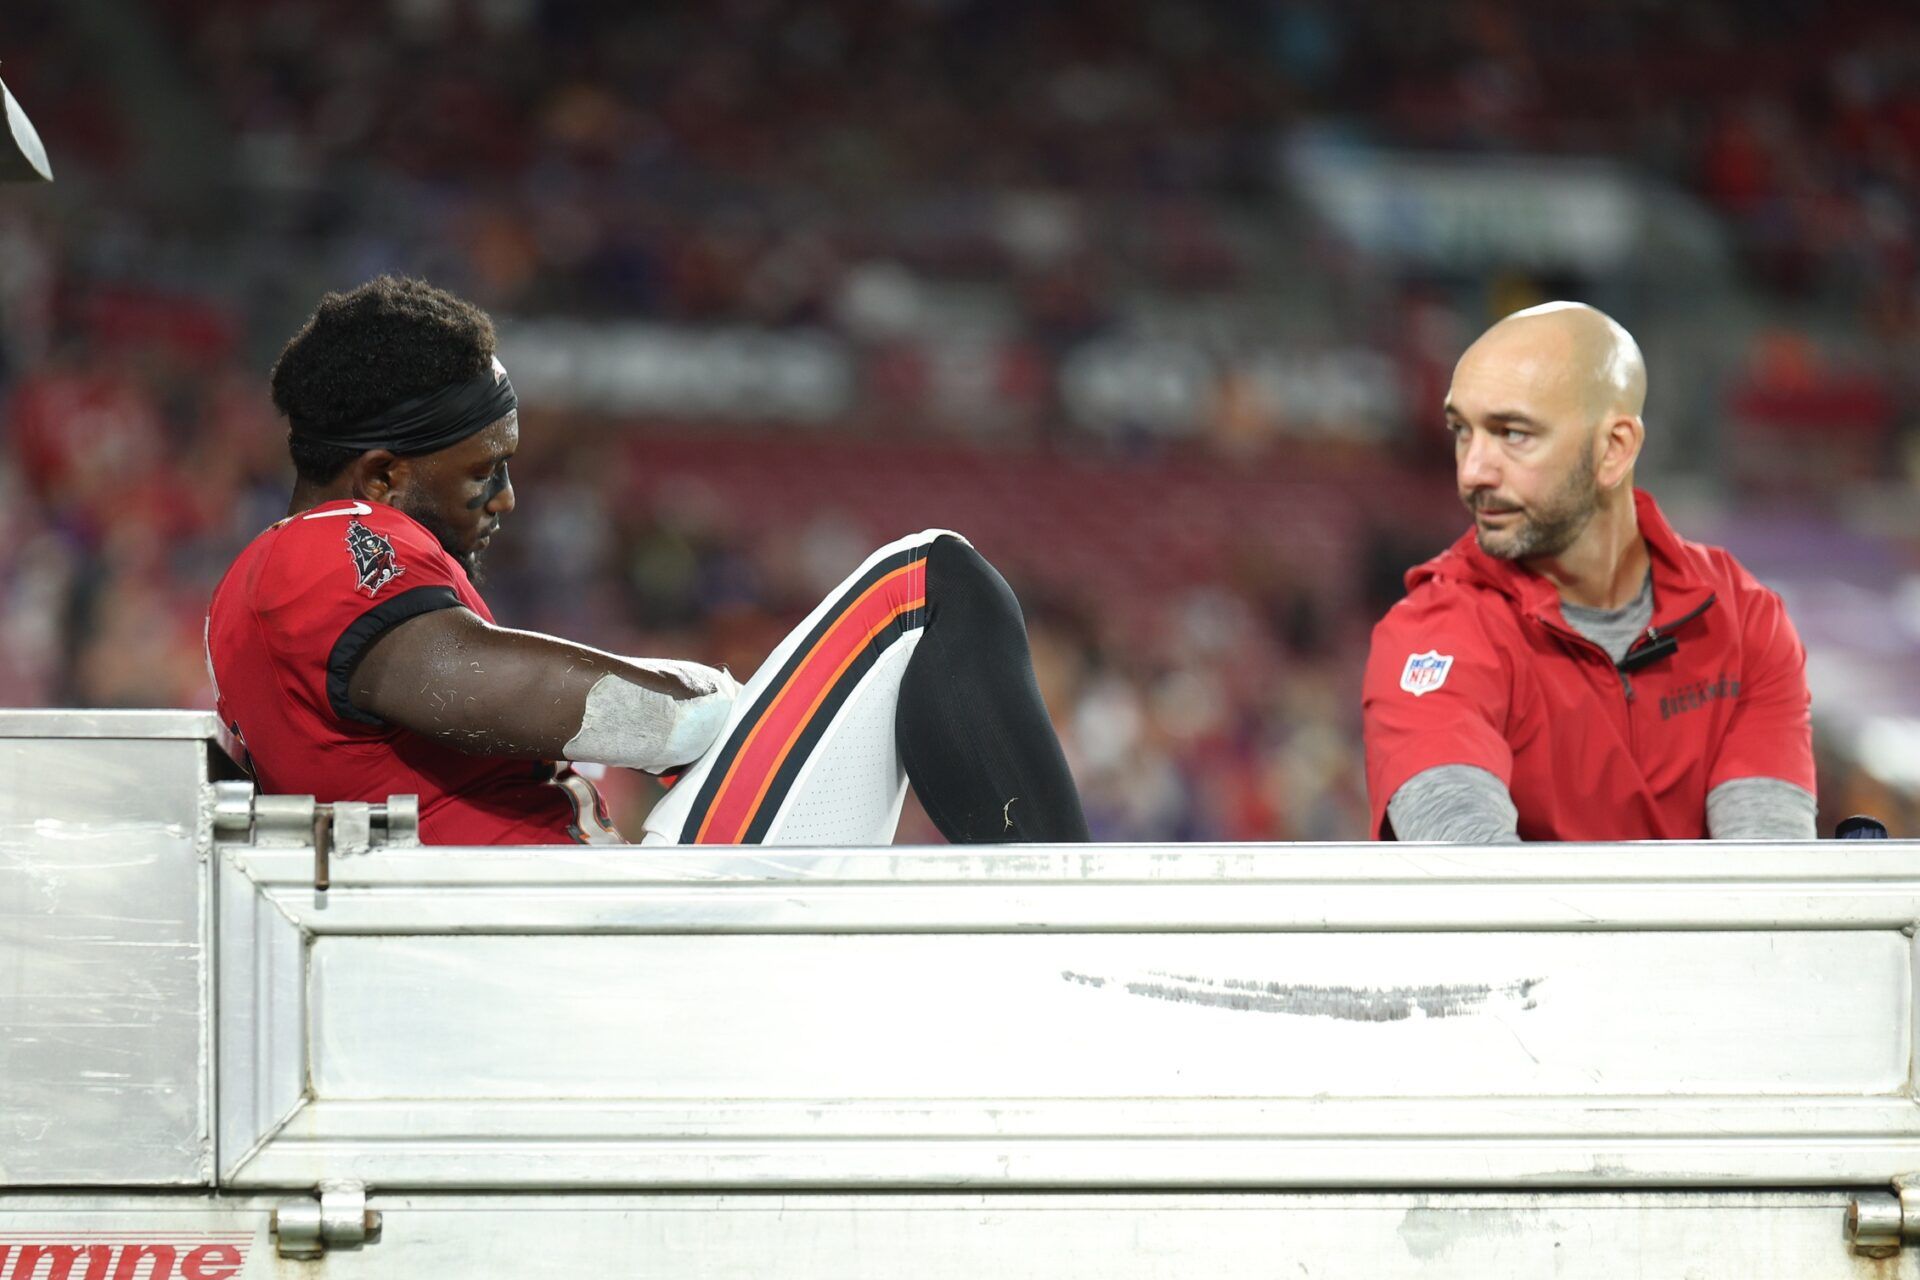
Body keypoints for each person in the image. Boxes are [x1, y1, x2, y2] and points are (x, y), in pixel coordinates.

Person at [205, 275, 1089, 846]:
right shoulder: (324, 546)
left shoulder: (279, 580)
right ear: (382, 476)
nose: (504, 499)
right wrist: (704, 710)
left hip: (567, 943)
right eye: (483, 472)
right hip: (598, 952)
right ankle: (1077, 943)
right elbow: (468, 680)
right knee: (931, 583)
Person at [1361, 301, 1815, 842]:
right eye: (1462, 430)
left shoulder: (1744, 621)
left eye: (1513, 433)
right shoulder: (1430, 636)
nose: (1472, 472)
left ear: (1614, 449)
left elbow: (1768, 875)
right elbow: (1473, 880)